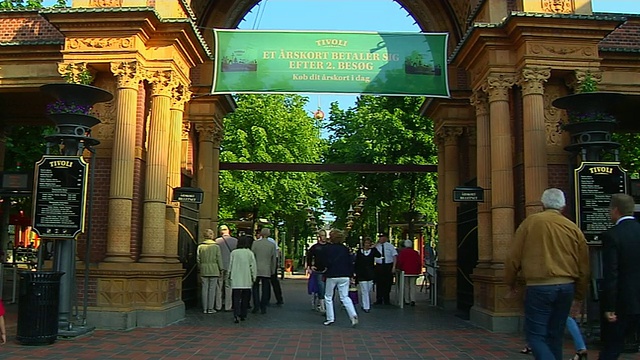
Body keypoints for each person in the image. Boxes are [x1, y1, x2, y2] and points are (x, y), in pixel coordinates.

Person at [505, 188, 589, 360]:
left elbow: (513, 257)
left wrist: (510, 282)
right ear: (563, 206)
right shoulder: (572, 228)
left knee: (536, 336)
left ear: (543, 204)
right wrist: (579, 295)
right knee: (555, 336)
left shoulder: (530, 223)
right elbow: (584, 266)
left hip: (539, 286)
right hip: (566, 286)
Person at [599, 193, 640, 360]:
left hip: (623, 302)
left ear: (615, 210)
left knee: (612, 348)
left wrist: (609, 307)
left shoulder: (612, 235)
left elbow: (612, 273)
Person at [321, 229, 358, 327]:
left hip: (332, 274)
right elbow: (350, 262)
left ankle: (330, 318)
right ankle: (353, 315)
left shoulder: (328, 248)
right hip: (345, 275)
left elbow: (325, 261)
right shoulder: (345, 249)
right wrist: (351, 275)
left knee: (328, 297)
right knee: (345, 296)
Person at [228, 235, 257, 323]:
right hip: (246, 278)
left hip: (236, 278)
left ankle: (236, 314)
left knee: (236, 297)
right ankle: (243, 314)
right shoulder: (249, 253)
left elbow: (230, 265)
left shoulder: (234, 253)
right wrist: (254, 277)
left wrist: (228, 276)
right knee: (245, 297)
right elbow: (253, 267)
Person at [197, 228, 223, 314]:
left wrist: (200, 267)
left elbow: (198, 259)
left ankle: (204, 308)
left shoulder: (200, 246)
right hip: (214, 269)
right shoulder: (216, 247)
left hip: (204, 269)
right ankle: (210, 308)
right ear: (212, 235)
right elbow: (219, 258)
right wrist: (221, 268)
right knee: (212, 290)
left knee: (204, 289)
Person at [251, 228, 277, 314]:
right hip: (267, 269)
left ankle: (256, 305)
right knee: (266, 288)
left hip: (256, 268)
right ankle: (263, 306)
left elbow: (252, 256)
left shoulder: (255, 243)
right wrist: (273, 269)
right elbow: (273, 259)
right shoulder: (271, 245)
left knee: (255, 287)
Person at [354, 237, 381, 313]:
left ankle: (365, 304)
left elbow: (379, 255)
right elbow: (357, 262)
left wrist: (374, 247)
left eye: (368, 243)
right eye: (366, 243)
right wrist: (355, 272)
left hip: (370, 273)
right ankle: (366, 306)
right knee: (364, 290)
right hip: (361, 273)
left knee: (368, 289)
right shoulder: (359, 251)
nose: (367, 245)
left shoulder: (373, 251)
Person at [214, 224, 238, 312]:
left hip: (219, 266)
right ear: (228, 231)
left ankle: (218, 305)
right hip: (230, 266)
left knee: (219, 286)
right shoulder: (235, 241)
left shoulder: (217, 241)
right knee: (228, 286)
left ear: (220, 232)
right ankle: (228, 306)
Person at [306, 229, 328, 313]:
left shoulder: (329, 246)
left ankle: (324, 304)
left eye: (325, 235)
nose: (324, 237)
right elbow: (309, 256)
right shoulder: (315, 247)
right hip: (318, 270)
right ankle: (322, 306)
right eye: (322, 235)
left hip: (328, 270)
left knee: (328, 289)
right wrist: (310, 266)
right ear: (319, 237)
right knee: (321, 287)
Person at [260, 228, 284, 305]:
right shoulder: (272, 241)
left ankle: (266, 299)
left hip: (262, 264)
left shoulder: (257, 242)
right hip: (272, 262)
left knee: (266, 282)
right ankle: (279, 298)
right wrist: (277, 262)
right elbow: (276, 252)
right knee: (274, 282)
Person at [396, 239, 422, 306]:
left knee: (406, 286)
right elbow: (419, 262)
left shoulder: (402, 252)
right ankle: (412, 299)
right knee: (413, 286)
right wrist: (418, 271)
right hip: (414, 271)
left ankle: (406, 300)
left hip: (405, 271)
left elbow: (400, 261)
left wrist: (399, 268)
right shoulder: (416, 253)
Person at [374, 233, 397, 305]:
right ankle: (379, 299)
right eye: (380, 237)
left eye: (382, 237)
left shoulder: (390, 246)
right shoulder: (376, 246)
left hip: (388, 265)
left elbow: (394, 256)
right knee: (379, 283)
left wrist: (394, 267)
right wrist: (376, 243)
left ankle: (386, 299)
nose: (381, 238)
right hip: (379, 266)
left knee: (388, 283)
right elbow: (370, 249)